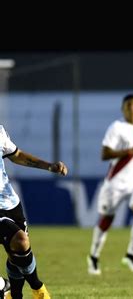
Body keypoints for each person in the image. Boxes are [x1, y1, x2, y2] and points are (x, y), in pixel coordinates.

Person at [0, 124, 68, 299]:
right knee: (21, 241)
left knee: (17, 254)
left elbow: (17, 155)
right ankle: (38, 288)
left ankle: (14, 294)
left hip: (11, 204)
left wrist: (49, 166)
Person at [87, 94, 133, 276]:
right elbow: (105, 154)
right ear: (123, 108)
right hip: (115, 182)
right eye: (128, 105)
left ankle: (130, 255)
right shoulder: (116, 127)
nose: (132, 108)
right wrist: (129, 151)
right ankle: (93, 256)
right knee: (106, 221)